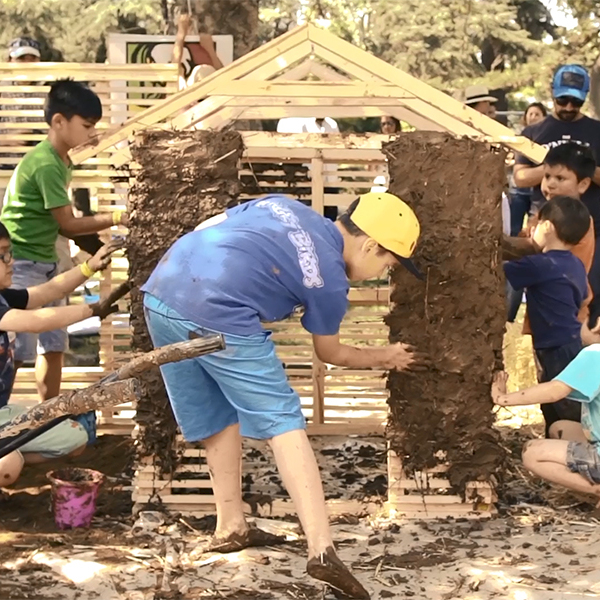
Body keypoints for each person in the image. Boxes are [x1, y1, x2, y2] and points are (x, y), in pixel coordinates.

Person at [142, 192, 427, 599]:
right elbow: (330, 353)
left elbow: (210, 227)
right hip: (220, 310)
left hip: (162, 291)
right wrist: (388, 356)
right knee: (283, 418)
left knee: (216, 412)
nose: (384, 272)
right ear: (369, 245)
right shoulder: (330, 279)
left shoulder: (284, 205)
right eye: (388, 262)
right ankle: (322, 550)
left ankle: (231, 526)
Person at [1, 79, 128, 403]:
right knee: (14, 346)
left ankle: (47, 418)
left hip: (46, 258)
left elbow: (61, 225)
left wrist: (96, 248)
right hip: (22, 261)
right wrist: (117, 218)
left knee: (53, 345)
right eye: (86, 126)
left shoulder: (61, 161)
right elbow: (68, 222)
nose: (91, 134)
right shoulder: (45, 164)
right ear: (59, 121)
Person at [0, 227, 123, 486]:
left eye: (8, 253)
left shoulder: (3, 297)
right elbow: (34, 321)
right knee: (8, 465)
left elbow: (45, 293)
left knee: (74, 438)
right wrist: (92, 310)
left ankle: (9, 450)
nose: (10, 262)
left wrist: (89, 267)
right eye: (2, 256)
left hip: (2, 412)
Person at [514, 65, 600, 329]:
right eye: (563, 99)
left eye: (576, 101)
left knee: (588, 299)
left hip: (592, 229)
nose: (569, 106)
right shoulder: (534, 133)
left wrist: (580, 167)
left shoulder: (597, 131)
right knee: (547, 299)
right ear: (552, 93)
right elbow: (520, 177)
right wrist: (552, 167)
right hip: (546, 229)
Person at [503, 196, 591, 436]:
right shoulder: (575, 265)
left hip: (555, 347)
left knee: (561, 402)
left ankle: (575, 450)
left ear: (548, 227)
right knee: (561, 402)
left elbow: (495, 270)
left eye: (536, 223)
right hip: (570, 341)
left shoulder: (540, 264)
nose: (531, 230)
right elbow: (583, 297)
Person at [503, 143, 598, 342]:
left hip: (565, 318)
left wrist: (494, 244)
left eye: (560, 178)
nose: (550, 184)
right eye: (547, 177)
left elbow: (534, 249)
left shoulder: (577, 221)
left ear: (583, 184)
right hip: (546, 315)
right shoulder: (544, 214)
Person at [492, 345, 600, 503]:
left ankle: (596, 491)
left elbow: (555, 390)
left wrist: (503, 398)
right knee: (559, 428)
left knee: (532, 453)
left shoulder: (595, 354)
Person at [509, 103, 549, 237]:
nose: (533, 117)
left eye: (537, 114)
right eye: (530, 114)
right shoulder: (522, 137)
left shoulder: (548, 135)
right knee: (515, 229)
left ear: (544, 116)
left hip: (539, 191)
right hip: (520, 190)